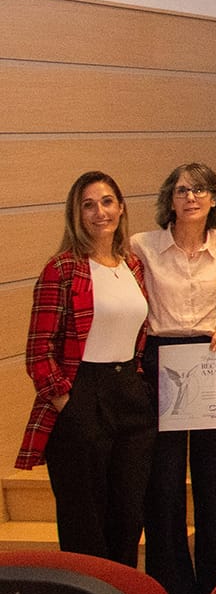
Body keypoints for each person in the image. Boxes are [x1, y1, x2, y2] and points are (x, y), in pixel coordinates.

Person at [133, 163, 216, 594]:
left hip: (211, 356)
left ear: (215, 198)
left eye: (201, 190)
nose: (192, 198)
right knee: (162, 488)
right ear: (170, 198)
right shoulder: (141, 245)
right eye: (182, 190)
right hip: (161, 359)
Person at [18, 172, 153, 567]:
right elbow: (38, 350)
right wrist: (67, 403)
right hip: (81, 397)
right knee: (85, 524)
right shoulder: (61, 269)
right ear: (76, 214)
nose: (100, 212)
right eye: (88, 205)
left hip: (130, 395)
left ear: (121, 207)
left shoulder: (132, 265)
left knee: (128, 518)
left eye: (107, 201)